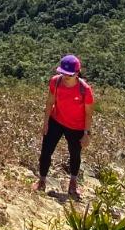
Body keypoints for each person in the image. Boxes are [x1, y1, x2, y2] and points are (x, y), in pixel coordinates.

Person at [36, 54, 94, 202]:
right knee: (46, 151)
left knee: (75, 155)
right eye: (63, 73)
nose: (66, 76)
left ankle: (73, 183)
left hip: (76, 127)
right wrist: (45, 122)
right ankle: (42, 180)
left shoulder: (85, 90)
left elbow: (88, 113)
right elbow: (50, 102)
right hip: (56, 121)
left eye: (70, 74)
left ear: (77, 72)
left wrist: (86, 134)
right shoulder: (55, 82)